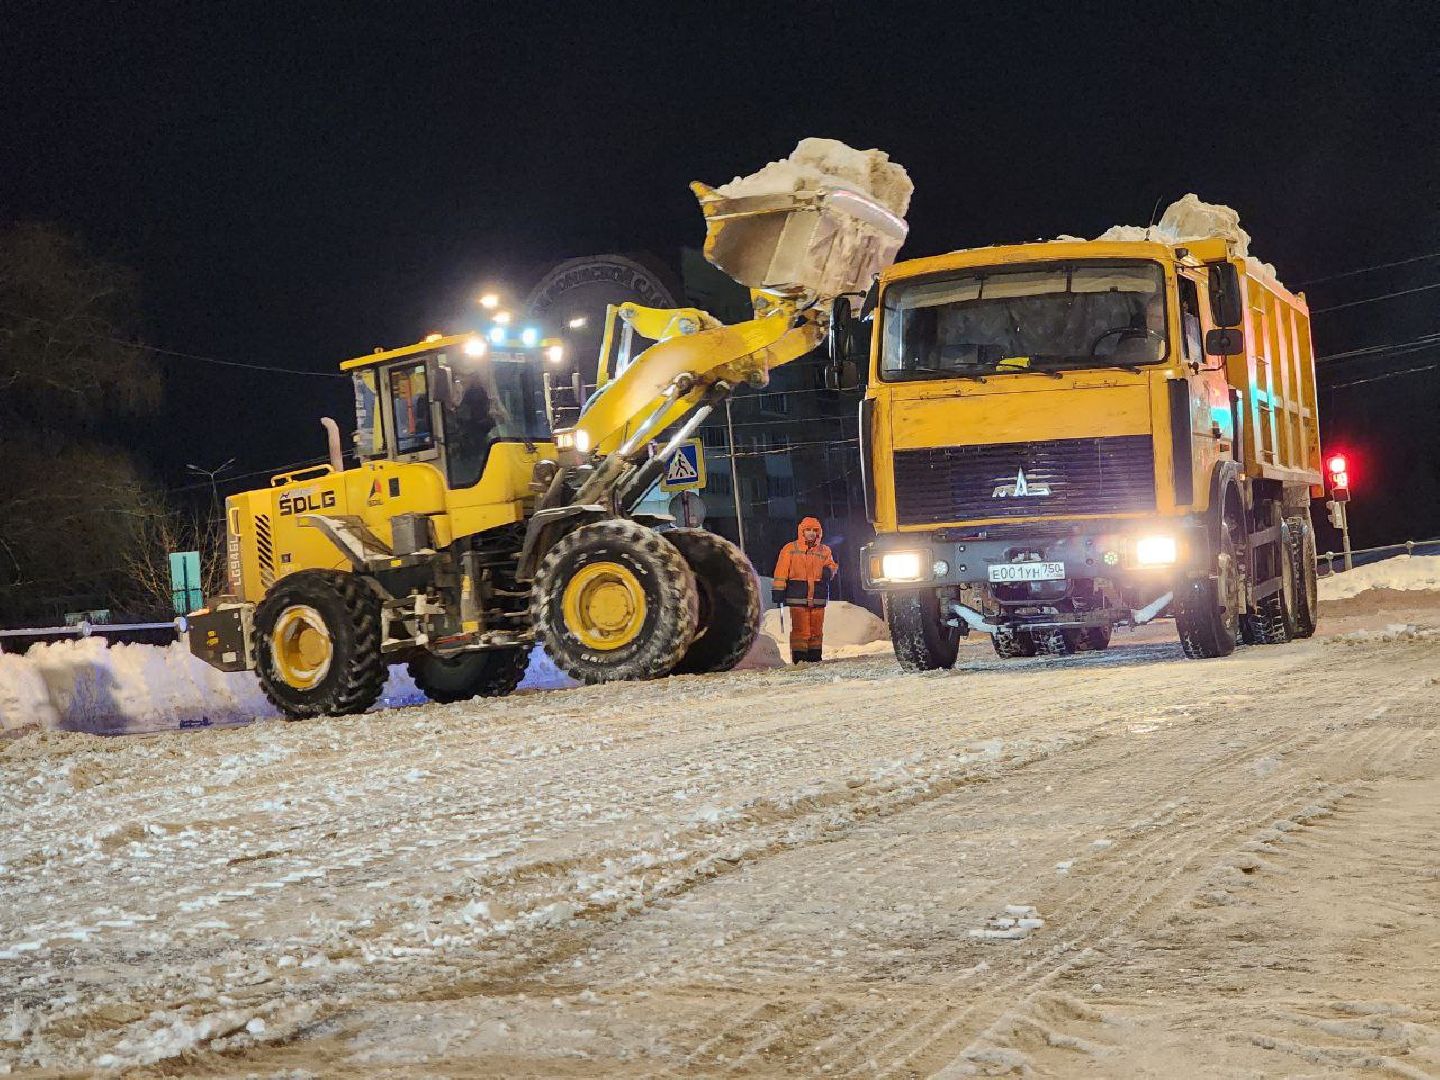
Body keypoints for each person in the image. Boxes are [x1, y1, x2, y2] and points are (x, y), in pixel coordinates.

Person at [771, 516, 839, 663]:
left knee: (816, 630)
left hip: (817, 596)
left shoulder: (825, 550)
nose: (811, 533)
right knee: (801, 630)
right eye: (808, 530)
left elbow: (832, 565)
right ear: (801, 531)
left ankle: (815, 657)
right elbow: (781, 571)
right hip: (798, 595)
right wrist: (778, 589)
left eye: (815, 530)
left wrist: (829, 570)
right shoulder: (790, 549)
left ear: (819, 532)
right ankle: (800, 658)